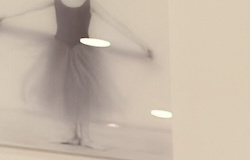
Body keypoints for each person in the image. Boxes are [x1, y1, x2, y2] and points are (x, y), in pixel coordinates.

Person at [0, 0, 156, 149]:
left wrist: (141, 44)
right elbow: (28, 10)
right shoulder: (56, 2)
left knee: (84, 95)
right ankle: (72, 135)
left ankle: (86, 137)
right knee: (68, 94)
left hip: (82, 54)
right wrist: (6, 18)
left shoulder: (89, 4)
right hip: (60, 50)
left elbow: (116, 24)